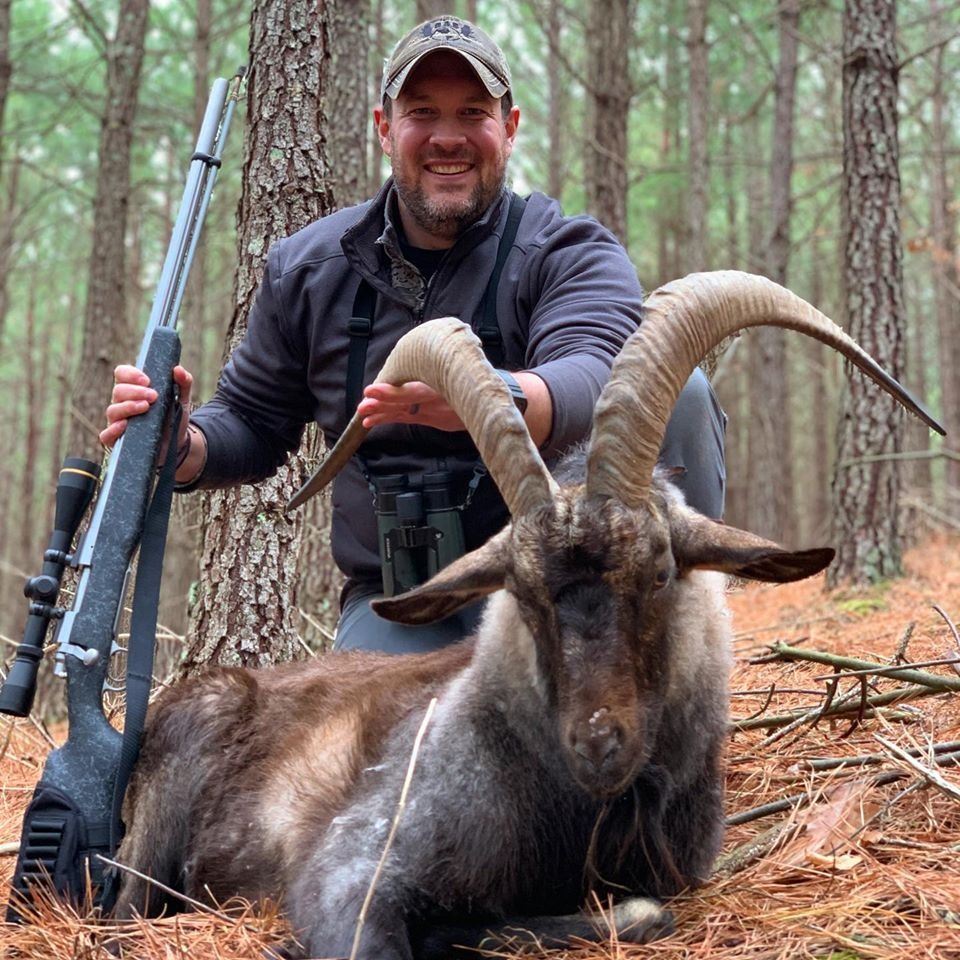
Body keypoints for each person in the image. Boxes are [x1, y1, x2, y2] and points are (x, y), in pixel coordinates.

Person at [102, 15, 726, 654]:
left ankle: (670, 659)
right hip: (401, 600)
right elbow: (253, 420)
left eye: (473, 112)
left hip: (562, 586)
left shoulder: (567, 250)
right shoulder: (309, 269)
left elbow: (596, 370)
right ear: (384, 128)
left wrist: (485, 400)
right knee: (368, 720)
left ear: (509, 128)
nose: (447, 137)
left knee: (678, 391)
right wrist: (182, 444)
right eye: (422, 112)